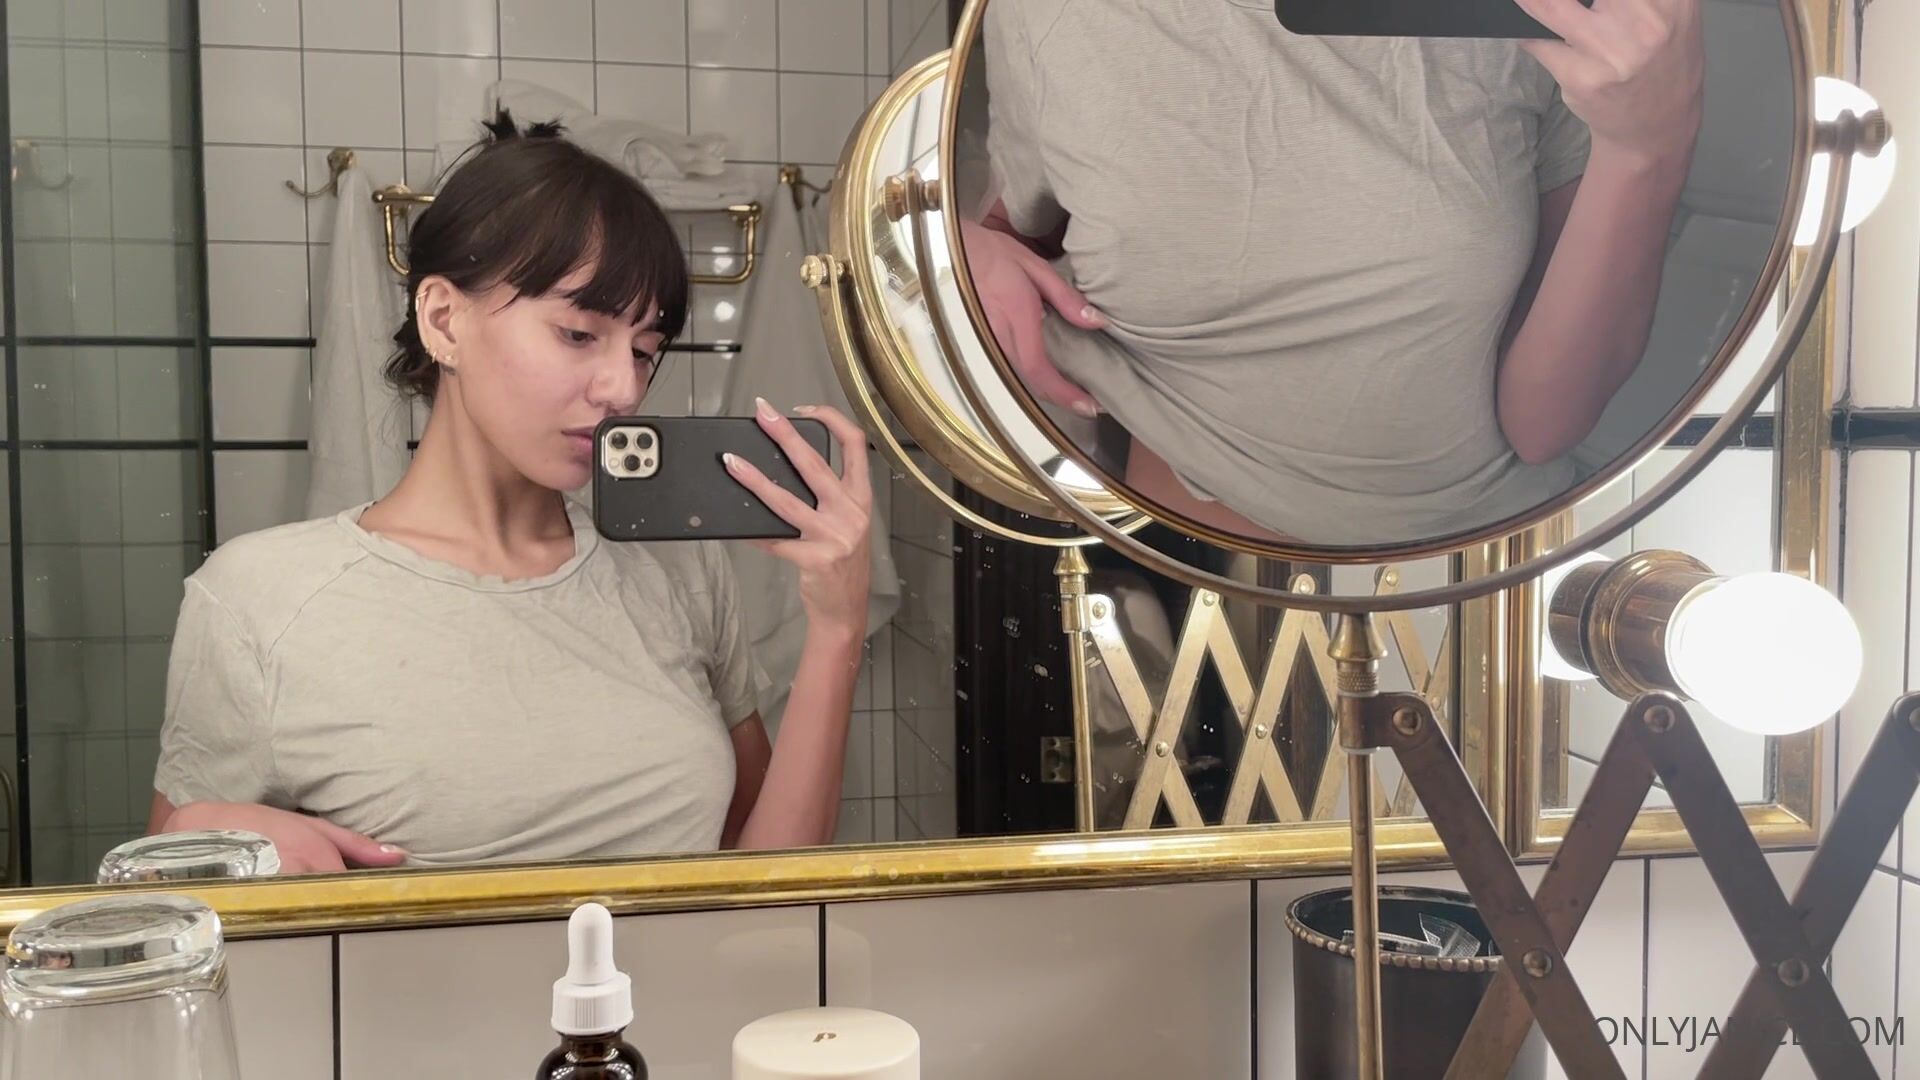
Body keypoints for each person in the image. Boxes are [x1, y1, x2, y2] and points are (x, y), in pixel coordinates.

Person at [148, 112, 874, 873]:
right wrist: (209, 832)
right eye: (579, 334)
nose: (624, 389)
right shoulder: (259, 602)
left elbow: (764, 880)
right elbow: (169, 893)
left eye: (644, 350)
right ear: (443, 319)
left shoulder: (681, 571)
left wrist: (837, 628)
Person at [965, 0, 1704, 545]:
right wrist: (968, 249)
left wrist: (1648, 149)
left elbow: (1545, 426)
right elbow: (1020, 225)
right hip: (1180, 560)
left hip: (1501, 576)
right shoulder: (1046, 15)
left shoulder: (1536, 21)